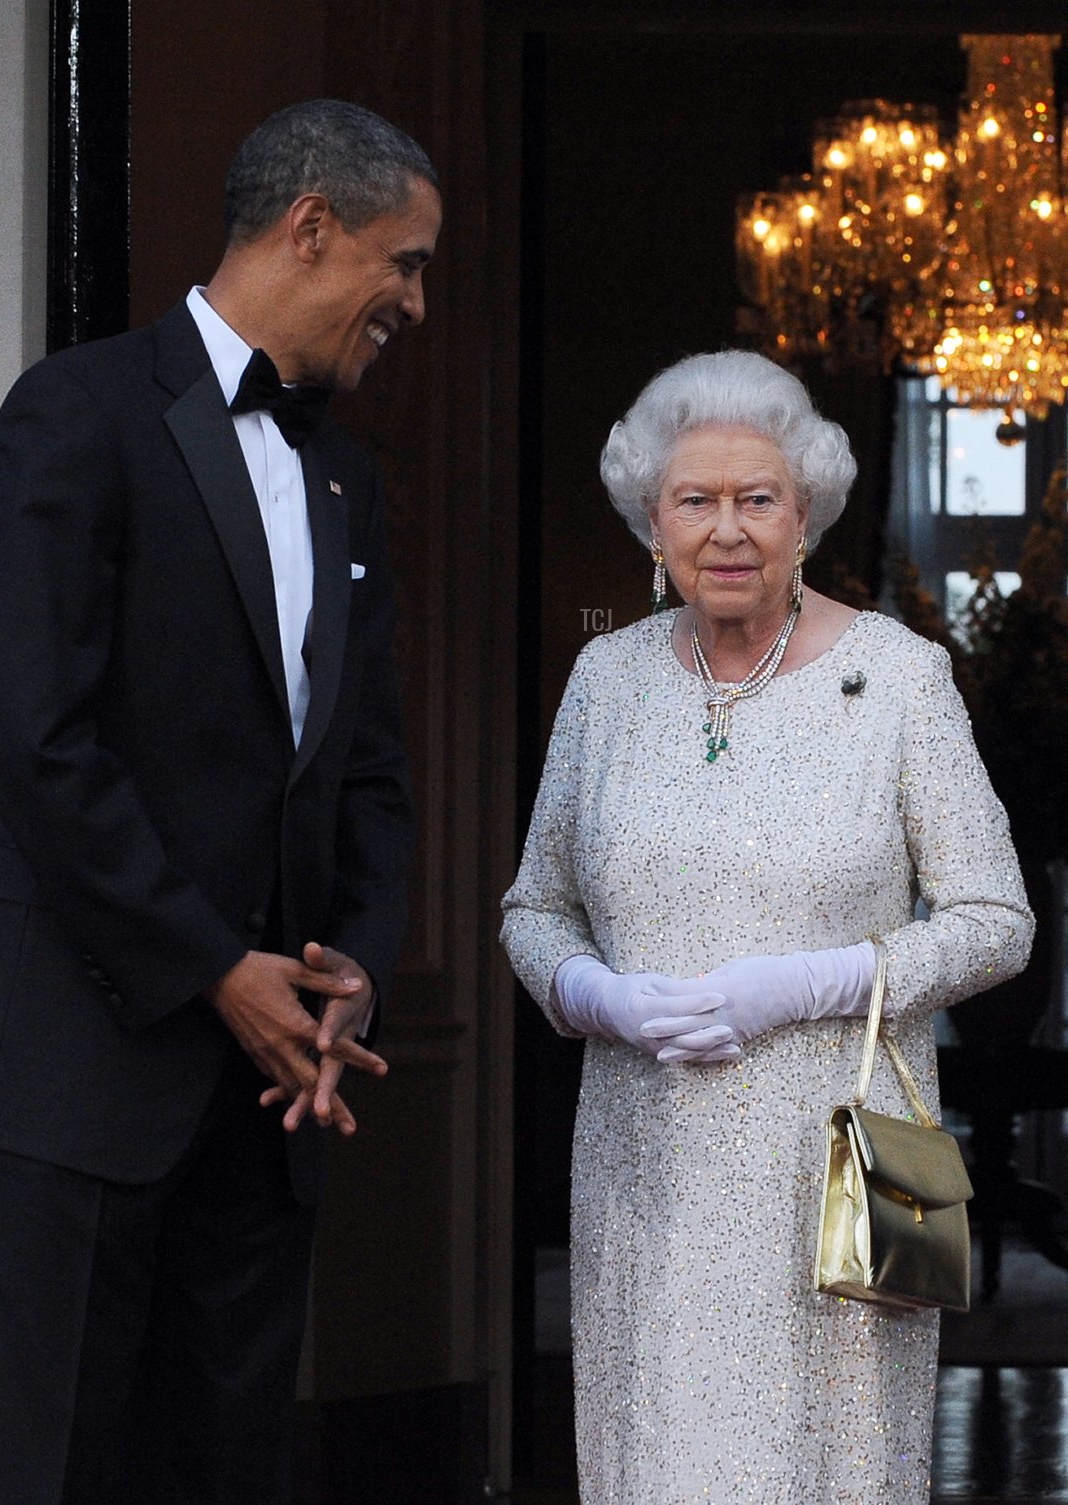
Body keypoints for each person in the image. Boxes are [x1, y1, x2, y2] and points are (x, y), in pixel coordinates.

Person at [0, 99, 440, 1505]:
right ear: (311, 227)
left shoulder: (347, 475)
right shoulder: (76, 411)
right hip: (78, 1070)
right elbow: (31, 735)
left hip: (268, 1107)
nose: (414, 299)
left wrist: (352, 978)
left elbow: (375, 772)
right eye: (403, 261)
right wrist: (215, 968)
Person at [501, 350, 1033, 1504]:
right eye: (696, 500)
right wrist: (598, 995)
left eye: (759, 499)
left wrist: (816, 979)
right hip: (647, 1169)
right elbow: (534, 908)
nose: (727, 529)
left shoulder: (900, 679)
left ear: (807, 516)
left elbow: (999, 919)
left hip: (834, 1175)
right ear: (653, 520)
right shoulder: (605, 680)